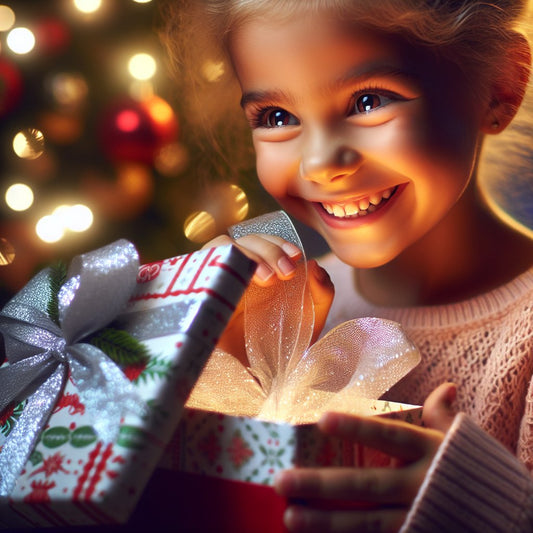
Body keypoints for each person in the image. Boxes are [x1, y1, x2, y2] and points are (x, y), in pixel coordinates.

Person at [160, 1, 533, 531]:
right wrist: (210, 362)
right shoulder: (274, 314)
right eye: (277, 118)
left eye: (368, 100)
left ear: (500, 86)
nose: (319, 163)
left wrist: (490, 507)